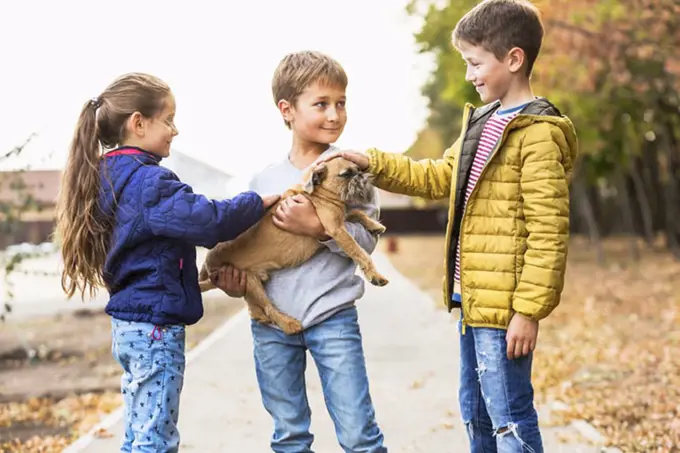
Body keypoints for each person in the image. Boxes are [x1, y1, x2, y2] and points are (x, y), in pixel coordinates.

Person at [317, 1, 579, 451]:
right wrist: (372, 162)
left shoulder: (538, 134)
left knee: (509, 419)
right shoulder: (481, 122)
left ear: (513, 60)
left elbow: (548, 232)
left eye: (475, 63)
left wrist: (528, 311)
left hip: (505, 310)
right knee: (476, 415)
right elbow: (438, 176)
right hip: (472, 300)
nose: (469, 75)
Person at [55, 72, 278, 453]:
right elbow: (208, 221)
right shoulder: (149, 183)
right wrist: (255, 203)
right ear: (138, 123)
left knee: (138, 434)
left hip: (129, 326)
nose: (175, 130)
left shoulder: (105, 175)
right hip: (155, 329)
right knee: (155, 439)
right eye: (169, 120)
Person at [214, 51, 388, 453]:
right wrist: (232, 282)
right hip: (272, 329)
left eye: (341, 103)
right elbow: (246, 251)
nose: (334, 115)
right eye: (321, 104)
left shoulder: (352, 170)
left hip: (334, 318)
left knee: (360, 435)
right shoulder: (264, 180)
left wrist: (318, 228)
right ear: (287, 110)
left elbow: (366, 242)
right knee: (289, 436)